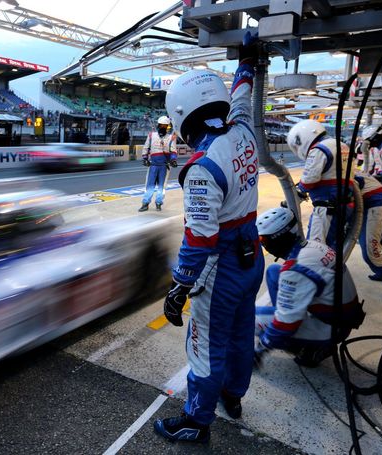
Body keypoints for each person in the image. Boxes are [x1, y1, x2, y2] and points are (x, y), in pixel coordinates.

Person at [154, 36, 264, 443]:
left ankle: (196, 421)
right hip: (252, 255)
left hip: (222, 263)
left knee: (204, 343)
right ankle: (233, 396)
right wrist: (247, 62)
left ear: (182, 115)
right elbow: (242, 93)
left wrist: (179, 287)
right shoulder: (244, 128)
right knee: (240, 330)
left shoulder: (202, 166)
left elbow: (199, 239)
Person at [254, 207, 365, 367]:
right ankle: (303, 332)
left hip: (332, 328)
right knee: (273, 272)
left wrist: (260, 350)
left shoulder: (296, 269)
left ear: (278, 238)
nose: (263, 245)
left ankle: (309, 349)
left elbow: (285, 324)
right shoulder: (312, 246)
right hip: (341, 316)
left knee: (252, 318)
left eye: (264, 240)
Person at [286, 119, 353, 250]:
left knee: (316, 249)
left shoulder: (319, 149)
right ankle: (335, 270)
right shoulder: (340, 144)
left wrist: (296, 194)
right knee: (333, 246)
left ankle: (319, 270)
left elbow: (309, 180)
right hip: (344, 203)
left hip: (327, 207)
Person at [138, 116, 177, 212]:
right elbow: (146, 147)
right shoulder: (151, 135)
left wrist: (173, 160)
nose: (163, 127)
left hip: (164, 166)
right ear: (158, 125)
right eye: (161, 125)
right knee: (149, 185)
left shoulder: (171, 137)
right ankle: (145, 203)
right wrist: (145, 158)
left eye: (165, 126)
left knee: (162, 187)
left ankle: (158, 203)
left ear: (168, 127)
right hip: (153, 165)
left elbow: (173, 151)